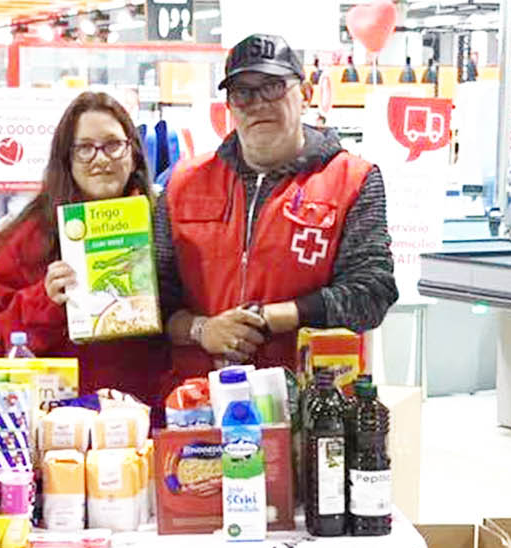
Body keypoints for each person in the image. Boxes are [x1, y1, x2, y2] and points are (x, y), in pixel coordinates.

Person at [154, 34, 397, 384]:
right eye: (243, 92)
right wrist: (202, 329)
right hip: (194, 404)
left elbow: (372, 293)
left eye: (273, 87)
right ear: (229, 106)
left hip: (311, 398)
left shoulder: (354, 180)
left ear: (305, 95)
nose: (258, 103)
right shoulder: (182, 183)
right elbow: (155, 300)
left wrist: (270, 318)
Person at [0, 92, 168, 408]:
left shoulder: (164, 221)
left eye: (112, 144)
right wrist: (45, 299)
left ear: (133, 153)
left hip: (145, 412)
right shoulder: (31, 235)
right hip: (61, 417)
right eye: (85, 148)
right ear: (66, 158)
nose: (101, 159)